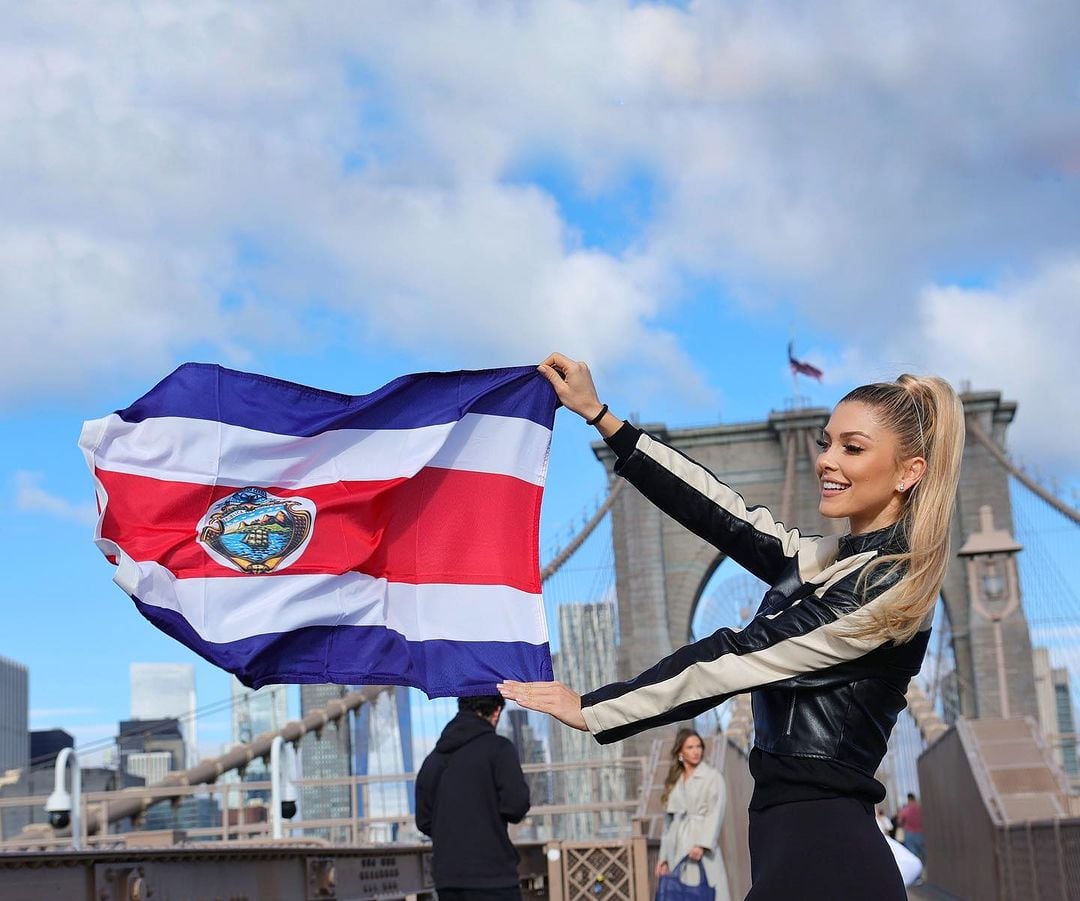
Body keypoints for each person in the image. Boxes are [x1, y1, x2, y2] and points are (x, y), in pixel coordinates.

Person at [499, 352, 965, 900]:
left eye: (853, 448)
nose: (826, 460)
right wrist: (603, 418)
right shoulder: (827, 562)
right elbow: (724, 516)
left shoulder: (885, 587)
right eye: (826, 443)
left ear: (910, 471)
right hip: (795, 839)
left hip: (826, 851)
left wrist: (592, 708)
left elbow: (739, 657)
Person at [415, 695, 531, 900]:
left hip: (448, 879)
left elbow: (424, 821)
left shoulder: (433, 760)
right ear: (496, 711)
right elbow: (516, 807)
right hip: (494, 876)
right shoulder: (499, 748)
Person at [656, 729, 731, 901]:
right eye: (690, 747)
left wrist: (702, 844)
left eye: (699, 746)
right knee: (680, 895)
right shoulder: (674, 781)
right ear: (680, 752)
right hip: (676, 849)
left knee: (709, 892)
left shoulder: (712, 777)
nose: (696, 751)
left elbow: (715, 812)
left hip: (700, 847)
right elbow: (668, 825)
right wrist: (663, 858)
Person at [896, 792, 925, 861]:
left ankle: (918, 866)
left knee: (913, 854)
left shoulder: (906, 809)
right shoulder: (920, 808)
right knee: (923, 852)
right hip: (921, 833)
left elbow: (899, 821)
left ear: (908, 799)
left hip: (909, 833)